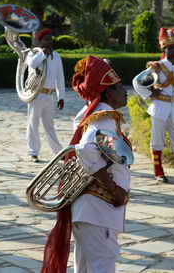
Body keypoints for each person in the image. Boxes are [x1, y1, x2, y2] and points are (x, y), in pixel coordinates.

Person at [41, 56, 131, 273]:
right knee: (102, 266)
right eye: (119, 87)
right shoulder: (104, 117)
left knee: (84, 268)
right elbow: (86, 152)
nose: (125, 91)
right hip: (98, 208)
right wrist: (114, 189)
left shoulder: (96, 113)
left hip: (90, 210)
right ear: (109, 92)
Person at [132, 27, 174, 182]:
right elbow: (137, 82)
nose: (173, 50)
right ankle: (158, 171)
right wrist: (149, 94)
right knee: (157, 141)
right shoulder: (156, 66)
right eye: (170, 48)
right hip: (159, 108)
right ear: (164, 49)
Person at [25, 28, 65, 162]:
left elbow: (60, 78)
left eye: (50, 39)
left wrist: (61, 96)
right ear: (40, 41)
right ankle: (33, 152)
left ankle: (58, 152)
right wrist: (42, 53)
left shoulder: (57, 56)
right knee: (33, 123)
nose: (49, 42)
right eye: (46, 39)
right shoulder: (34, 54)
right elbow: (31, 64)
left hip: (49, 95)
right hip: (36, 94)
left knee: (49, 125)